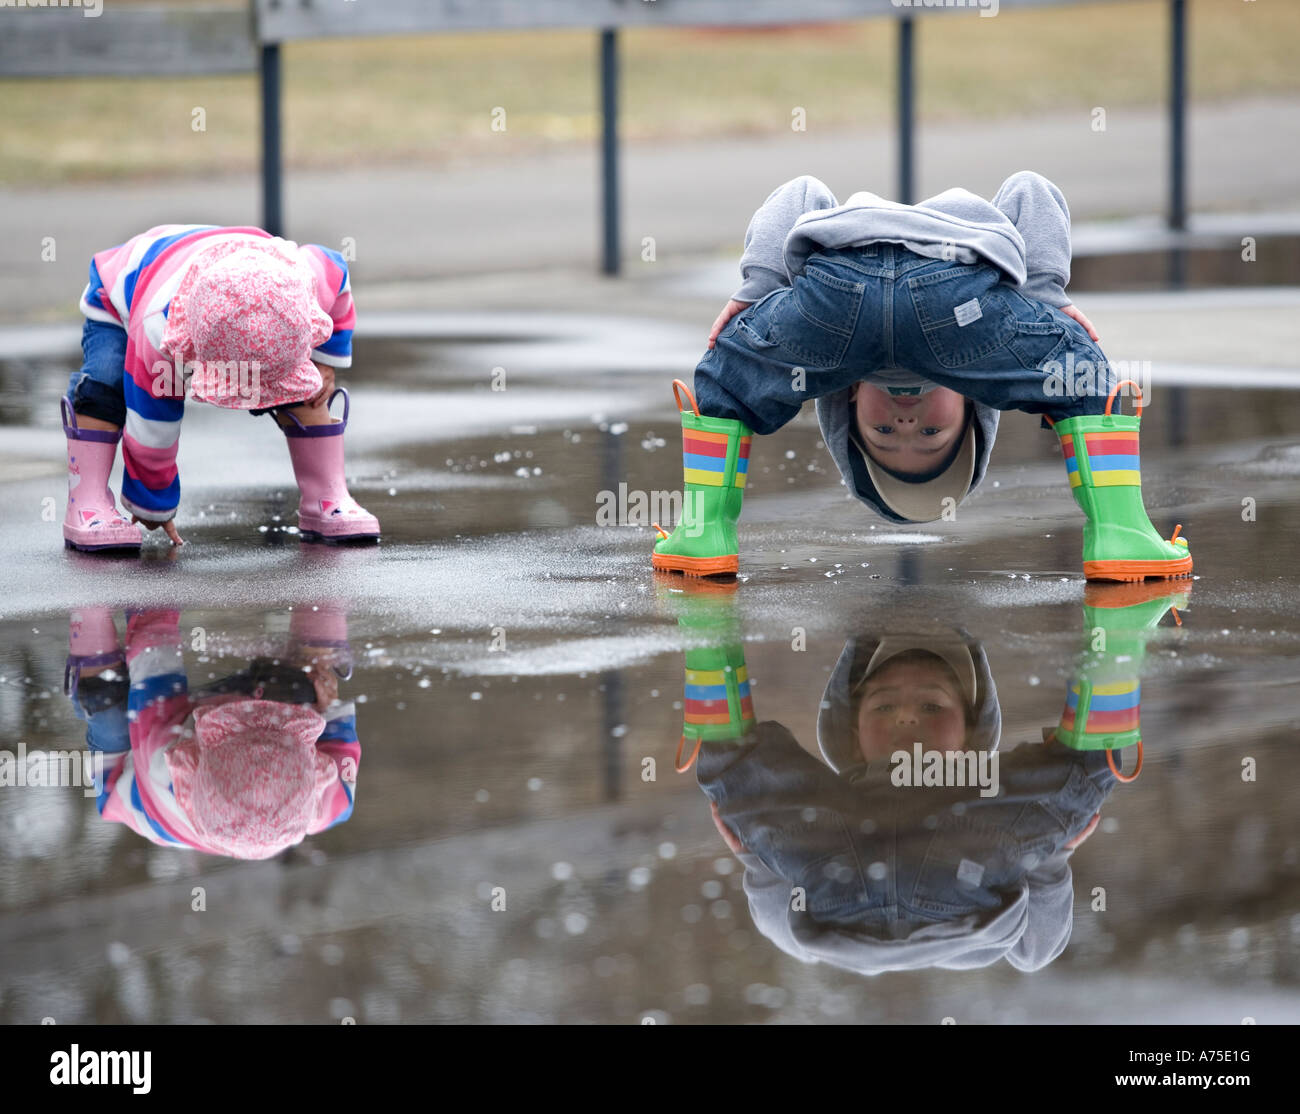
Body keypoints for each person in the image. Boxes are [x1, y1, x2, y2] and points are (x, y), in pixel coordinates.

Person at [651, 172, 1191, 582]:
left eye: (887, 435)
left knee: (726, 382)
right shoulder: (975, 356)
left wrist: (758, 290)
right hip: (956, 297)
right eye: (929, 435)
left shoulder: (831, 362)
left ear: (851, 402)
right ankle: (1119, 534)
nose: (906, 421)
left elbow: (800, 192)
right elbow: (1031, 188)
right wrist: (1042, 300)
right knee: (1083, 377)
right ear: (972, 405)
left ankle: (705, 532)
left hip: (839, 294)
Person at [62, 225, 380, 552]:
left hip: (246, 277)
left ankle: (326, 497)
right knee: (104, 386)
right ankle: (87, 504)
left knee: (308, 392)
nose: (251, 395)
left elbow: (337, 271)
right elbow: (152, 423)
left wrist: (324, 360)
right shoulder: (161, 331)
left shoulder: (305, 279)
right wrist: (152, 502)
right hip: (122, 294)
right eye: (240, 383)